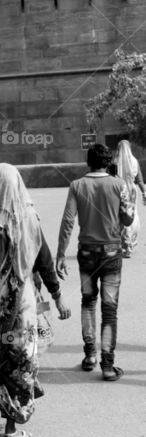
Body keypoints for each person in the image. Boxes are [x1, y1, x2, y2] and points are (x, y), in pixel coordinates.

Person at [0, 164, 69, 437]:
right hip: (20, 306)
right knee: (17, 359)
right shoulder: (28, 217)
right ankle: (10, 429)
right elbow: (44, 260)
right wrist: (57, 295)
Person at [56, 143, 134, 380]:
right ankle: (108, 366)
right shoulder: (119, 185)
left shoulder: (77, 185)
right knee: (109, 310)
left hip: (87, 254)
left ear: (88, 162)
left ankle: (90, 355)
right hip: (111, 253)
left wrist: (61, 254)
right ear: (108, 163)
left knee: (88, 302)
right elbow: (128, 219)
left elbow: (68, 220)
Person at [112, 139, 146, 256]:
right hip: (131, 192)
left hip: (118, 192)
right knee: (130, 216)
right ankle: (129, 244)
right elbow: (140, 180)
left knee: (120, 217)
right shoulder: (134, 161)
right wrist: (144, 192)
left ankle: (125, 245)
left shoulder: (115, 162)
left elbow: (109, 179)